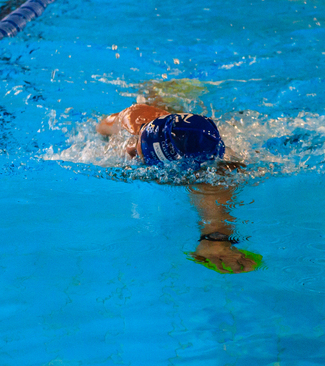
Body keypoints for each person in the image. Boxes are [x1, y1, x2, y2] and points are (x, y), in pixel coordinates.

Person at [97, 102, 260, 273]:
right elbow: (101, 127)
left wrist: (215, 241)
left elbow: (214, 201)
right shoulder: (134, 118)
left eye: (140, 153)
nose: (130, 150)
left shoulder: (213, 171)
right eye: (139, 139)